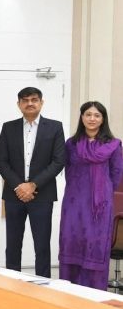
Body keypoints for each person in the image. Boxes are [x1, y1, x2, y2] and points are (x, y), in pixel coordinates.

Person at [0, 86, 65, 277]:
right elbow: (1, 161)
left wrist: (33, 185)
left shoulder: (55, 127)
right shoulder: (8, 128)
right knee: (12, 244)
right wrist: (19, 186)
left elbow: (58, 161)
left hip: (42, 195)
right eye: (25, 100)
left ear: (41, 103)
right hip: (14, 195)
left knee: (42, 245)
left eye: (34, 100)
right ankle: (12, 283)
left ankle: (43, 285)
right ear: (19, 104)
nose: (30, 103)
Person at [58, 101, 123, 289]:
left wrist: (100, 192)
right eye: (88, 114)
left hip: (99, 206)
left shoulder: (113, 145)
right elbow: (68, 170)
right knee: (72, 240)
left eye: (96, 115)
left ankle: (94, 292)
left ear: (103, 119)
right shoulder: (71, 144)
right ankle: (70, 290)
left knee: (95, 244)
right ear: (82, 117)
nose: (92, 119)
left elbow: (116, 174)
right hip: (74, 202)